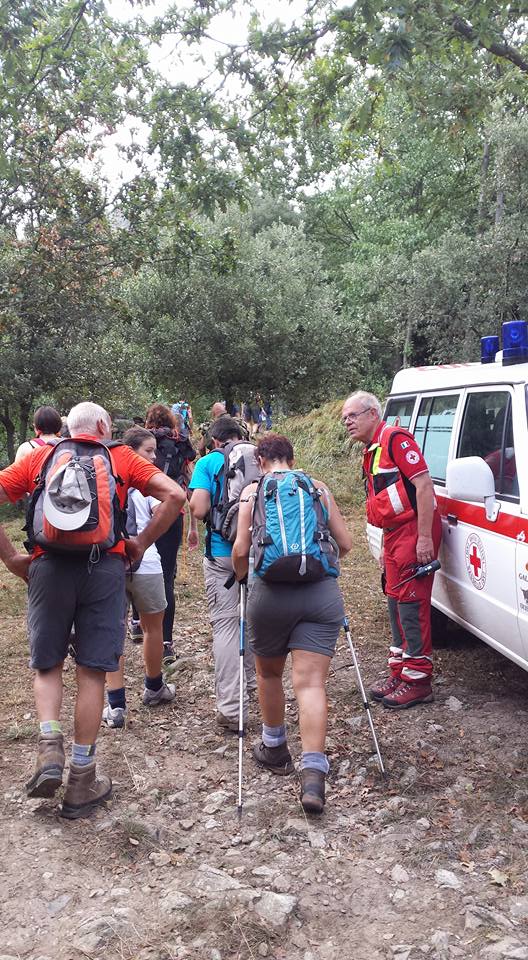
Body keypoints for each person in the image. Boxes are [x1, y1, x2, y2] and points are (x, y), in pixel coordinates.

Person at [0, 401, 185, 818]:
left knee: (47, 664)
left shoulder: (41, 456)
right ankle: (82, 779)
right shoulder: (120, 456)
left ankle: (50, 747)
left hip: (46, 565)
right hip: (104, 568)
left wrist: (12, 557)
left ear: (68, 428)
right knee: (92, 668)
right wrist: (139, 543)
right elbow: (175, 495)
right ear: (103, 426)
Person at [232, 433, 352, 814]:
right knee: (311, 682)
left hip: (269, 595)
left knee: (268, 674)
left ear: (260, 460)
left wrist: (241, 577)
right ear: (292, 457)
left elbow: (240, 550)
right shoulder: (317, 488)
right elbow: (345, 544)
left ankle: (274, 746)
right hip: (320, 593)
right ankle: (314, 774)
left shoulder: (253, 493)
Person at [341, 391, 442, 709]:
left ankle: (418, 680)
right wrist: (386, 542)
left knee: (412, 605)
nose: (347, 422)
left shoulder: (396, 439)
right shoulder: (373, 450)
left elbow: (424, 486)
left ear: (373, 413)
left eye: (353, 415)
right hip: (396, 534)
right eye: (345, 417)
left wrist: (424, 538)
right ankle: (400, 671)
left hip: (414, 533)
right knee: (395, 601)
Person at [104, 427, 177, 728]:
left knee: (112, 630)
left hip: (110, 564)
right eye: (148, 451)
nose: (154, 456)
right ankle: (154, 686)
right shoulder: (146, 483)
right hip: (146, 561)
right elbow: (168, 508)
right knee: (152, 626)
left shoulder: (104, 478)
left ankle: (116, 704)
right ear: (132, 451)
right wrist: (146, 539)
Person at [189, 415, 256, 732]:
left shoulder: (208, 462)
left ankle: (232, 708)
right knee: (252, 620)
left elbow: (199, 508)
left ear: (215, 440)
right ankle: (253, 685)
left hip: (222, 554)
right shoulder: (259, 456)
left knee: (228, 627)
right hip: (258, 552)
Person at [144, 403, 198, 659]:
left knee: (138, 565)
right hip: (173, 510)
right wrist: (193, 521)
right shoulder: (181, 441)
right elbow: (188, 477)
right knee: (166, 575)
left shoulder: (141, 442)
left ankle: (137, 622)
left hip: (143, 510)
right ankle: (166, 642)